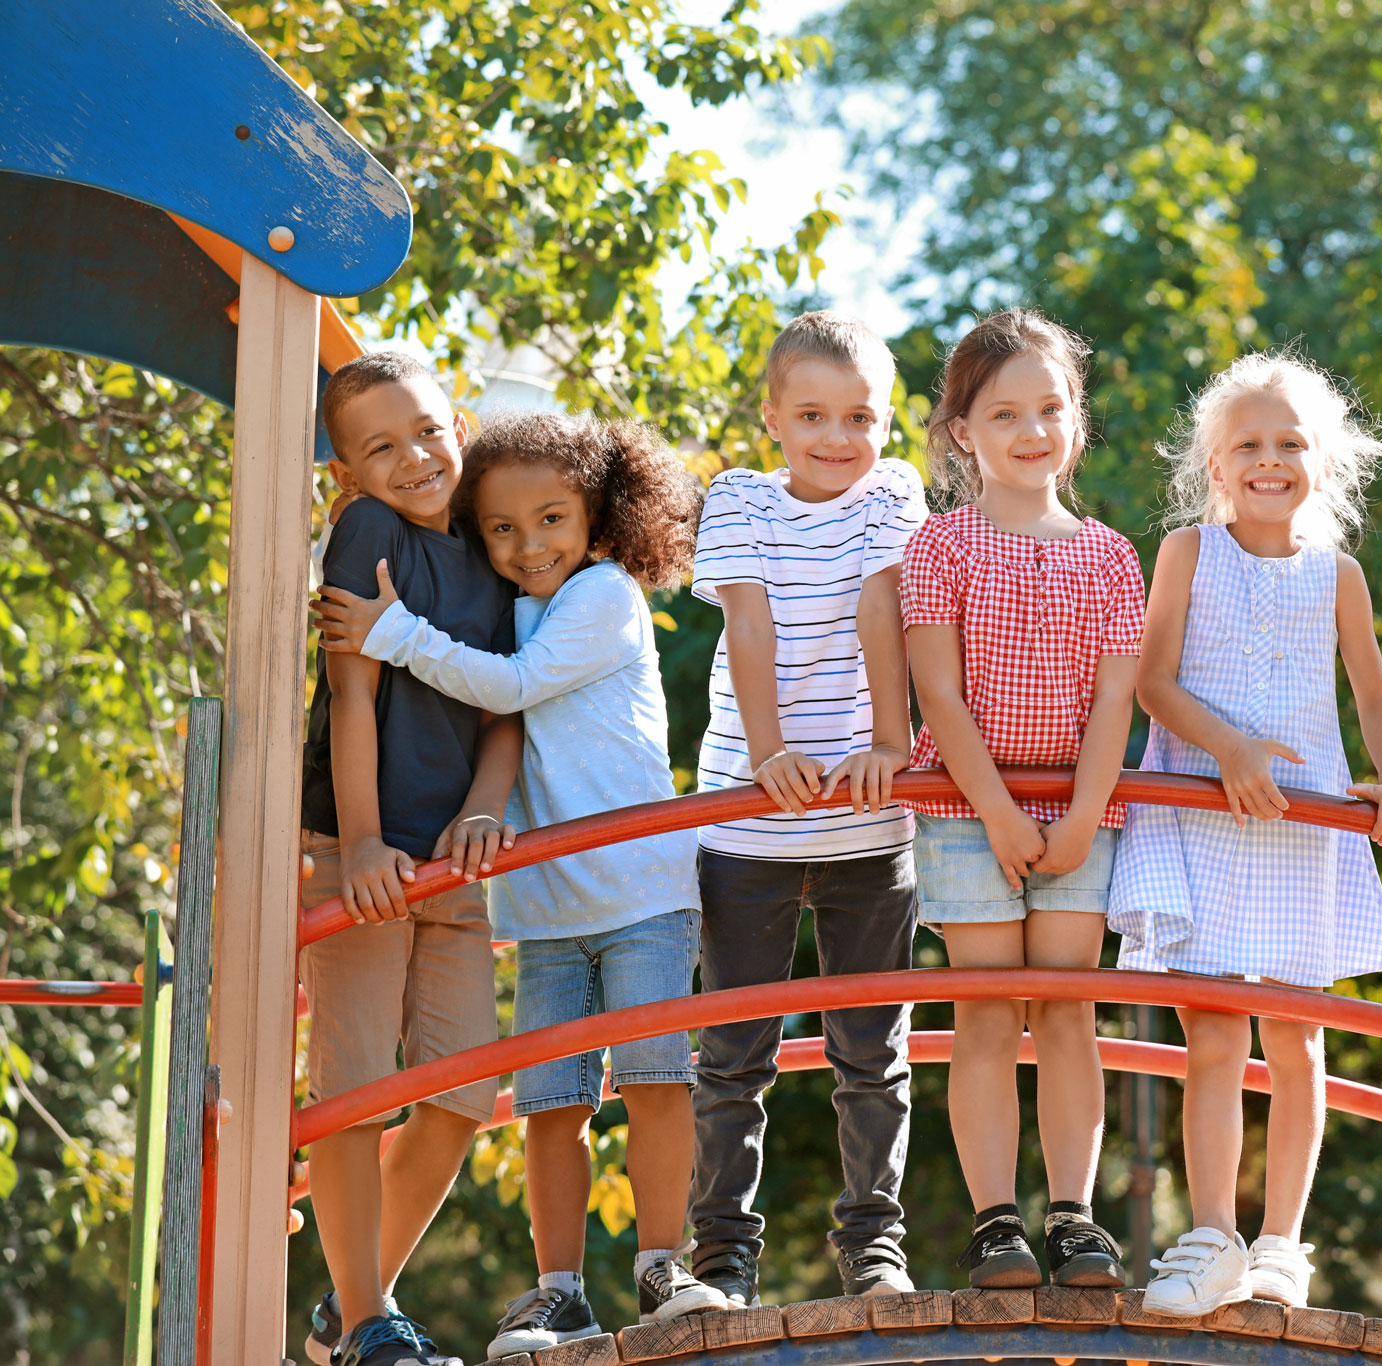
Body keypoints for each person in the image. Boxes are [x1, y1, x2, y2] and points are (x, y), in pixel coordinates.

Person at [316, 412, 726, 1355]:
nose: (528, 544)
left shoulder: (603, 595)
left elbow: (508, 688)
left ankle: (664, 1261)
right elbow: (495, 724)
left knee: (656, 1077)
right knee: (551, 1100)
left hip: (639, 894)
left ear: (599, 514)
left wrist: (392, 633)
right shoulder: (507, 604)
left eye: (550, 519)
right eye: (501, 529)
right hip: (545, 905)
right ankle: (559, 1289)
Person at [1108, 352, 1382, 1316]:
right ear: (1214, 466)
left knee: (1297, 1041)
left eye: (1290, 443)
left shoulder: (1339, 575)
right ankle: (1212, 1236)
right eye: (1247, 444)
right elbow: (1153, 682)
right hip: (1202, 811)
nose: (1269, 459)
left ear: (1320, 465)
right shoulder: (1187, 553)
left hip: (1299, 824)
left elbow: (1372, 694)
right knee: (1212, 1034)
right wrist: (1231, 747)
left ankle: (1282, 1245)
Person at [688, 311, 927, 1305]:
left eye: (861, 416)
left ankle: (873, 1242)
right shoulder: (739, 498)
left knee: (872, 1051)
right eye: (815, 415)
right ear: (772, 419)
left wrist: (886, 739)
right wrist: (771, 749)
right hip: (750, 812)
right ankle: (719, 1256)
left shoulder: (895, 491)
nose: (840, 437)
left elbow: (884, 605)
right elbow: (748, 620)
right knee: (732, 1051)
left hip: (867, 823)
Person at [898, 307, 1140, 1290]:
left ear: (1075, 419)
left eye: (1050, 408)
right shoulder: (941, 547)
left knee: (1070, 1009)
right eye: (1004, 414)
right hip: (966, 809)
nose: (1031, 430)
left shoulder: (1111, 552)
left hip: (1083, 808)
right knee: (991, 1009)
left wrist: (1081, 815)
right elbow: (939, 692)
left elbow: (1116, 696)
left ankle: (1074, 1215)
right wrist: (997, 809)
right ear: (962, 432)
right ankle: (996, 1219)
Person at [298, 351, 521, 1366]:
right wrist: (360, 844)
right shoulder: (370, 531)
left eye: (427, 430)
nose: (414, 457)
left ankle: (353, 1308)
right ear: (347, 473)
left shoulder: (495, 541)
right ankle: (365, 1321)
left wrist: (483, 809)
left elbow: (510, 701)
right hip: (364, 844)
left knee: (465, 1087)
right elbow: (350, 696)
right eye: (379, 448)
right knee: (354, 1085)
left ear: (458, 421)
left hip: (453, 857)